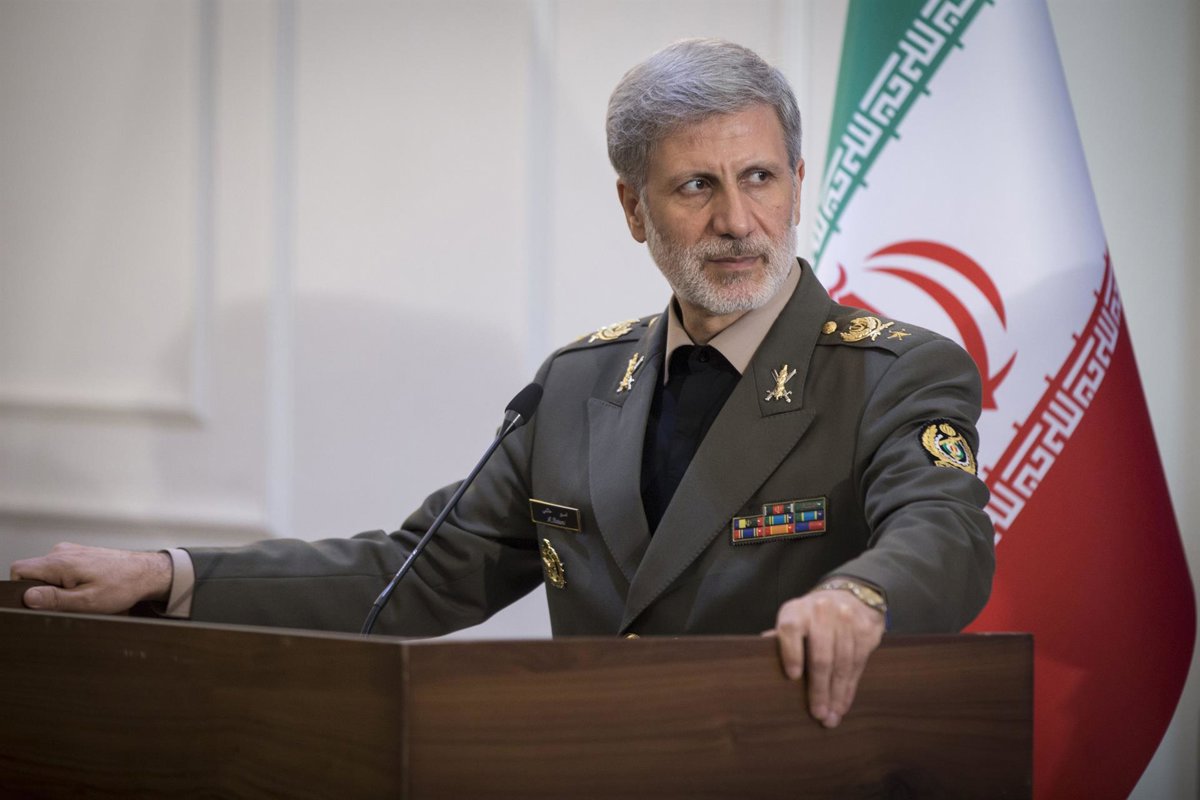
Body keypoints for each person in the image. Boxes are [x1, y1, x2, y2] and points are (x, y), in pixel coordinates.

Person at [10, 39, 993, 730]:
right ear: (634, 209)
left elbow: (944, 532)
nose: (737, 221)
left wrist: (859, 595)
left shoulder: (893, 371)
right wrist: (172, 574)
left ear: (798, 182)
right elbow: (410, 573)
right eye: (697, 186)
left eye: (760, 178)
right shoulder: (577, 386)